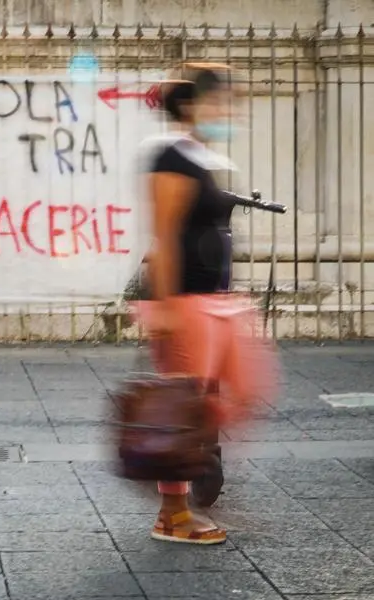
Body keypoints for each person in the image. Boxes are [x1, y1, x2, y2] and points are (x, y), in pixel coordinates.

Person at [142, 63, 245, 545]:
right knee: (182, 410)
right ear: (188, 106)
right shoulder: (170, 158)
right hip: (183, 301)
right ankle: (172, 514)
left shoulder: (195, 156)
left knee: (205, 405)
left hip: (205, 301)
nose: (227, 110)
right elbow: (163, 238)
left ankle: (181, 495)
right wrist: (165, 310)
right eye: (217, 101)